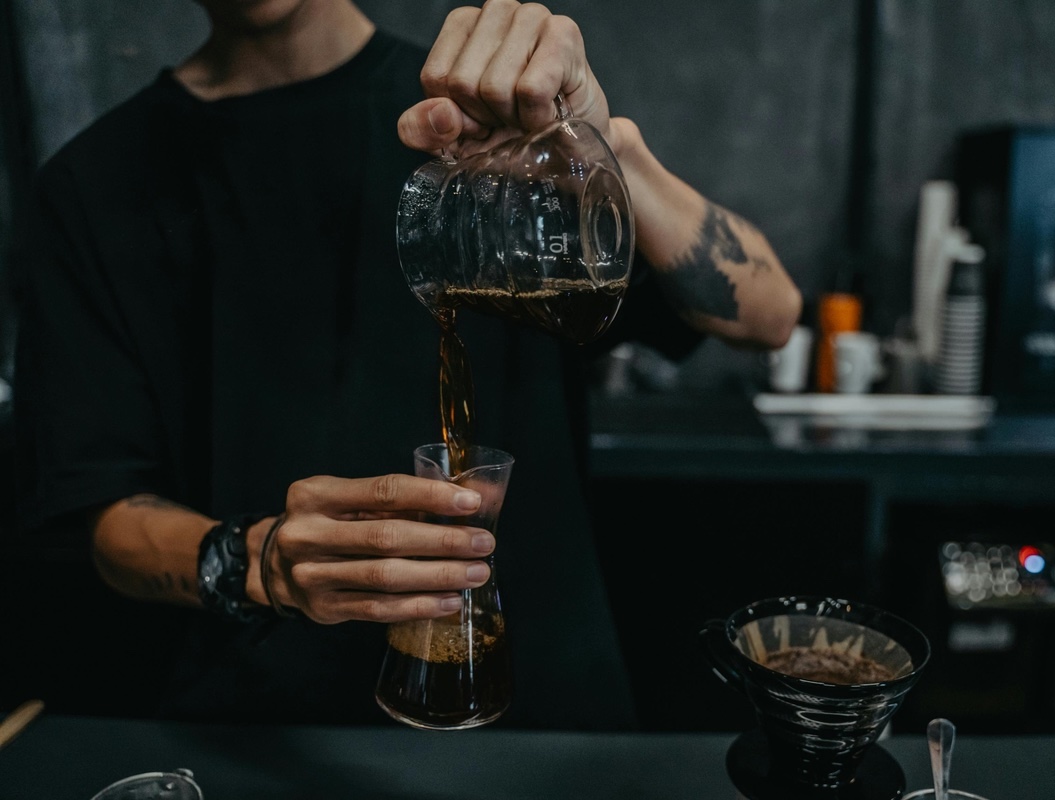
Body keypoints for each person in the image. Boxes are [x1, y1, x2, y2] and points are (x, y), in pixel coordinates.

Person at [12, 0, 802, 728]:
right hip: (261, 729)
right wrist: (258, 561)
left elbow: (769, 314)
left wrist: (604, 144)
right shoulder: (94, 186)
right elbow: (106, 515)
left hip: (540, 726)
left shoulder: (493, 126)